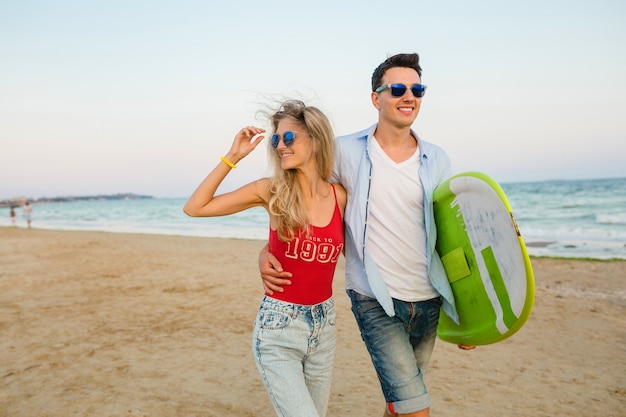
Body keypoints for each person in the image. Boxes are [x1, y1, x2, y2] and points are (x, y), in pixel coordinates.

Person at [259, 53, 473, 417]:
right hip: (374, 296)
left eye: (417, 89)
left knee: (401, 401)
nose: (409, 96)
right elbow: (306, 206)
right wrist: (266, 249)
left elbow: (451, 237)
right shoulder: (344, 151)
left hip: (428, 297)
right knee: (415, 407)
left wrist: (468, 314)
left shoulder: (437, 159)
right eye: (398, 89)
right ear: (376, 98)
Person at [183, 100, 347, 417]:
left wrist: (264, 251)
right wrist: (233, 157)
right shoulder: (270, 190)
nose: (280, 146)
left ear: (315, 139)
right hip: (279, 329)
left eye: (289, 138)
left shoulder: (339, 195)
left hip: (324, 327)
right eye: (276, 139)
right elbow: (195, 207)